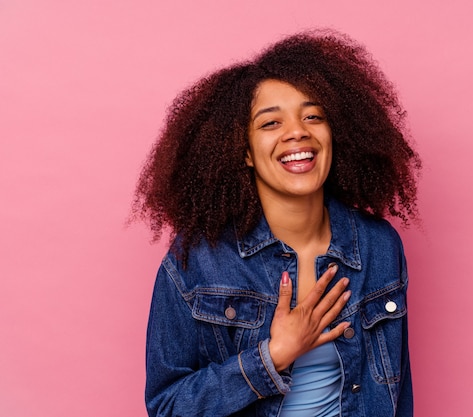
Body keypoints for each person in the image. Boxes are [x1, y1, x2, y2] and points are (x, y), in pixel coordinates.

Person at [133, 29, 421, 417]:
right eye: (270, 123)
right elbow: (166, 407)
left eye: (313, 116)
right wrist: (271, 357)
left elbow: (396, 394)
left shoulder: (377, 246)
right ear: (245, 152)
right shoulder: (199, 262)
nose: (297, 131)